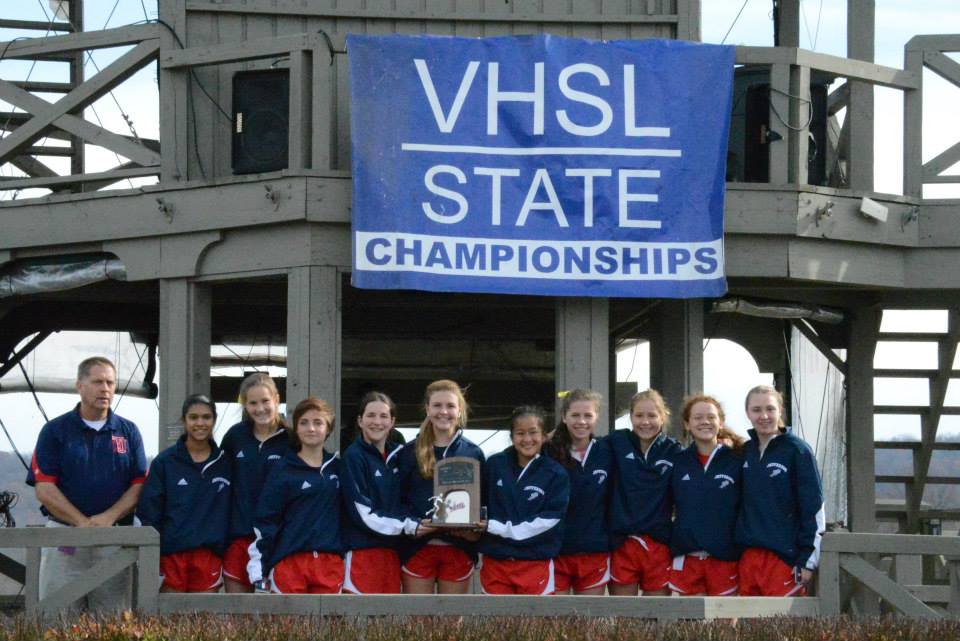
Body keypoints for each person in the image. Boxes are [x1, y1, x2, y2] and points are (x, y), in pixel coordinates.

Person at [26, 356, 147, 610]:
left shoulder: (129, 432)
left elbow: (138, 485)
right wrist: (82, 523)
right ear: (79, 385)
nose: (105, 389)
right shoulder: (54, 431)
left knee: (112, 624)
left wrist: (106, 519)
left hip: (114, 538)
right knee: (56, 620)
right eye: (97, 381)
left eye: (110, 383)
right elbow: (44, 488)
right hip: (64, 540)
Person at [736, 385, 825, 597]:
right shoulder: (744, 452)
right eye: (756, 410)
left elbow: (813, 507)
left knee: (783, 627)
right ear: (747, 412)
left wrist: (807, 560)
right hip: (748, 557)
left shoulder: (798, 450)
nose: (764, 416)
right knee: (747, 628)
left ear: (780, 410)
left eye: (770, 409)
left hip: (785, 558)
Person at [248, 397, 343, 594]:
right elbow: (266, 522)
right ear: (296, 428)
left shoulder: (339, 468)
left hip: (330, 564)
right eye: (304, 422)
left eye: (318, 422)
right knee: (288, 625)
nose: (311, 428)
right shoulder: (282, 470)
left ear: (328, 428)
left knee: (330, 625)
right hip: (289, 564)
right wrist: (258, 572)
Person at [398, 380, 485, 594]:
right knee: (417, 623)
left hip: (458, 548)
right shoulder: (408, 452)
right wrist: (415, 525)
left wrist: (474, 530)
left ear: (460, 410)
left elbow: (483, 501)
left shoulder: (473, 453)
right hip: (418, 548)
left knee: (451, 624)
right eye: (437, 406)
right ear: (427, 409)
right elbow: (397, 500)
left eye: (450, 406)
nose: (443, 411)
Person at [137, 394, 231, 593]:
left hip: (208, 556)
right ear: (184, 420)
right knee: (168, 620)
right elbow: (149, 512)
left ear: (214, 419)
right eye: (193, 417)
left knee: (204, 621)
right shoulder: (165, 462)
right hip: (171, 556)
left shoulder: (226, 463)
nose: (200, 423)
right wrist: (155, 553)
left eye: (206, 417)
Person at [480, 406, 570, 595]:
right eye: (520, 433)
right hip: (496, 563)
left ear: (544, 436)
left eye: (533, 432)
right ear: (512, 436)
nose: (527, 439)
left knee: (535, 625)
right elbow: (477, 503)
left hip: (535, 563)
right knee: (494, 624)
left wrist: (497, 528)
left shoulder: (556, 473)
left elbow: (551, 519)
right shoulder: (494, 464)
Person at [340, 391, 423, 594]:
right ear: (360, 421)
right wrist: (409, 526)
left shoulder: (400, 456)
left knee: (388, 623)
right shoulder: (353, 457)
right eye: (371, 415)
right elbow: (362, 514)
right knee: (358, 623)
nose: (377, 422)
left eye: (384, 416)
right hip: (362, 553)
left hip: (392, 555)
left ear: (392, 421)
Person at [219, 372, 290, 593]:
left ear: (277, 399)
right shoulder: (235, 437)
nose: (260, 408)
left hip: (276, 541)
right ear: (245, 406)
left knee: (273, 620)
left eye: (265, 401)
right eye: (253, 403)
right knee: (236, 617)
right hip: (239, 538)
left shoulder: (292, 439)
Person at [607, 389, 680, 596]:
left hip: (658, 545)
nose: (645, 422)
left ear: (662, 416)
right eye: (639, 416)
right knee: (624, 619)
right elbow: (582, 444)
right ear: (630, 417)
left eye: (652, 415)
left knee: (654, 619)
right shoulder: (616, 442)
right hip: (623, 543)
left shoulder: (674, 451)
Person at [668, 395, 742, 597]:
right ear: (687, 424)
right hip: (686, 557)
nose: (705, 422)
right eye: (698, 417)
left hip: (724, 558)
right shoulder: (678, 460)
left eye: (711, 417)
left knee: (724, 626)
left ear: (721, 422)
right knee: (684, 627)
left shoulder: (737, 459)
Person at [546, 389, 612, 596]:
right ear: (564, 417)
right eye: (575, 415)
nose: (581, 421)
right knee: (555, 623)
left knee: (590, 623)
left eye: (588, 415)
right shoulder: (547, 451)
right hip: (557, 551)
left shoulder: (607, 450)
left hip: (594, 550)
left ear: (596, 417)